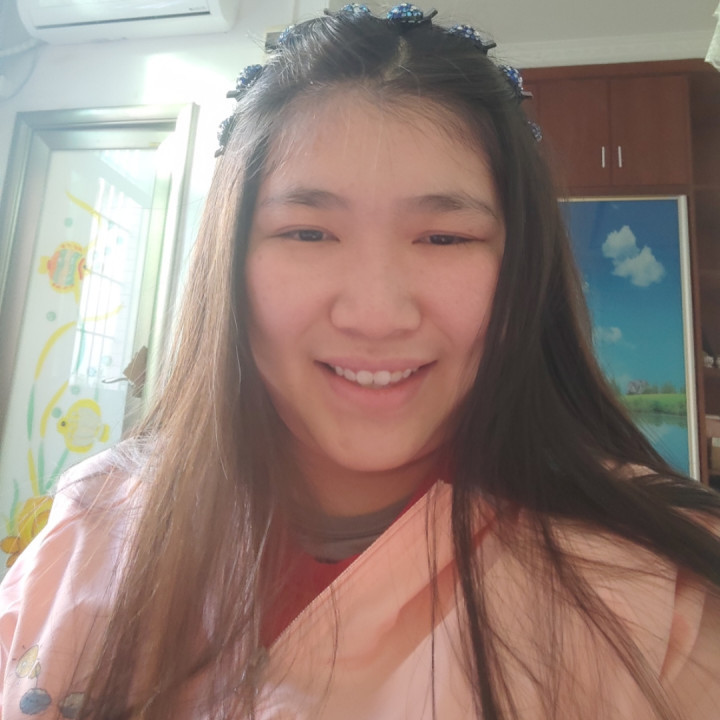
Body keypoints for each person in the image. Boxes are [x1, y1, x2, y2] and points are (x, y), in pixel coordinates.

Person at [1, 5, 719, 719]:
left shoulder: (665, 599)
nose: (376, 315)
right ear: (229, 261)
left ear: (522, 270)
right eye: (308, 233)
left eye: (444, 238)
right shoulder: (94, 520)